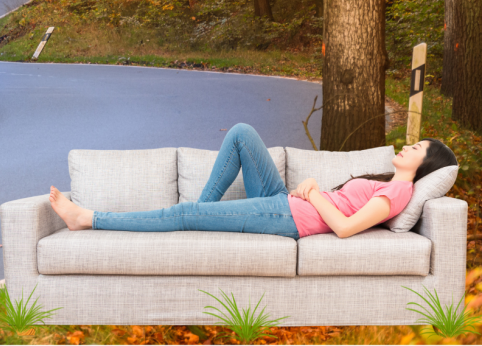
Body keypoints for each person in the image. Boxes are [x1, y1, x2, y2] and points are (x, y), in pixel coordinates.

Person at [49, 122, 458, 240]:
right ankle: (201, 213)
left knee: (183, 212)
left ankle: (88, 219)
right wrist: (314, 188)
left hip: (288, 216)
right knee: (242, 132)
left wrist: (314, 194)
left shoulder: (401, 191)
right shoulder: (389, 180)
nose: (408, 147)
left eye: (417, 148)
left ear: (425, 164)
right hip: (285, 202)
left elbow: (347, 228)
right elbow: (343, 204)